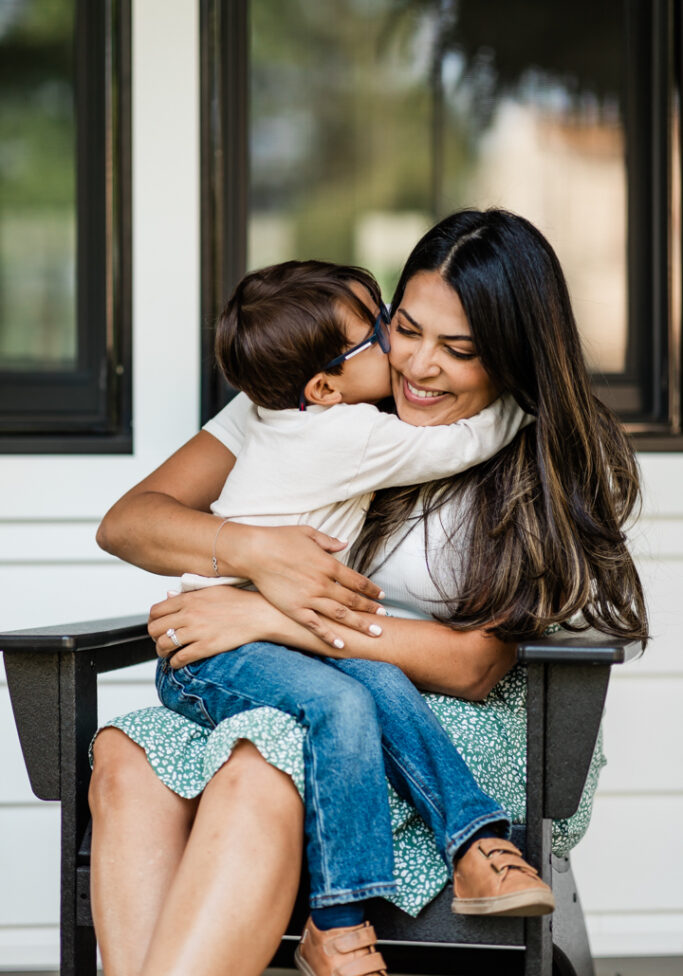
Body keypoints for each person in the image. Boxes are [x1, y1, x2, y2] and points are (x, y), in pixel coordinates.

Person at [91, 209, 646, 976]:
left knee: (266, 759)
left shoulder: (531, 456)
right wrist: (258, 552)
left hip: (450, 721)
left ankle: (408, 881)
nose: (417, 366)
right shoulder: (320, 395)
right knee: (127, 755)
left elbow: (472, 667)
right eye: (404, 329)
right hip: (294, 680)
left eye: (459, 350)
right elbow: (130, 523)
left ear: (513, 355)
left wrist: (270, 614)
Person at [158, 257, 545, 953]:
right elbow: (465, 441)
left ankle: (472, 842)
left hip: (280, 640)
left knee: (378, 682)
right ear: (324, 385)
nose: (396, 350)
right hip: (221, 649)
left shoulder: (307, 410)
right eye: (382, 332)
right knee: (345, 704)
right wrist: (529, 397)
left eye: (381, 316)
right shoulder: (340, 432)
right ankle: (337, 926)